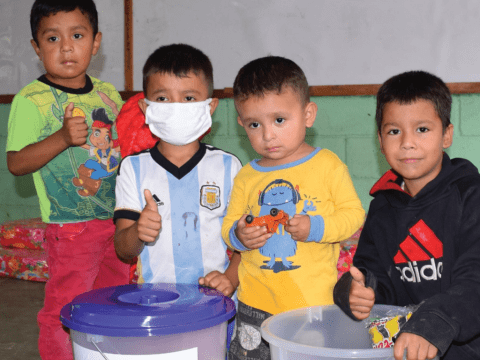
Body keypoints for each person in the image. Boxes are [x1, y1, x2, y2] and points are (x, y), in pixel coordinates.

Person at [6, 1, 131, 359]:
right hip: (71, 227)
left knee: (114, 299)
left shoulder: (108, 94)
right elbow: (16, 163)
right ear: (36, 47)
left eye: (77, 35)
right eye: (52, 38)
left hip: (116, 221)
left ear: (95, 43)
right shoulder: (32, 100)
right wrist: (61, 138)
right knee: (67, 307)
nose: (66, 47)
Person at [221, 56, 365, 359]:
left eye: (279, 120)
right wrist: (238, 234)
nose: (267, 135)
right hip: (253, 305)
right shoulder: (247, 175)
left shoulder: (327, 165)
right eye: (254, 124)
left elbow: (353, 216)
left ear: (308, 114)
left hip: (310, 307)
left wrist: (317, 227)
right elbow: (229, 224)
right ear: (241, 123)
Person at [333, 70, 480, 360]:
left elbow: (475, 278)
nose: (407, 143)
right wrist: (355, 291)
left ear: (447, 135)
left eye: (422, 129)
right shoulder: (382, 206)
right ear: (380, 139)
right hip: (403, 351)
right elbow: (370, 275)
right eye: (394, 131)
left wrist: (434, 320)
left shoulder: (470, 195)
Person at [113, 43, 242, 297]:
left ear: (210, 106)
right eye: (163, 98)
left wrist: (230, 278)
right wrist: (138, 232)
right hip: (155, 303)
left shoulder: (228, 167)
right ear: (146, 109)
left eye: (189, 98)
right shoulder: (133, 168)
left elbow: (246, 240)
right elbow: (123, 249)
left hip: (215, 303)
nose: (176, 107)